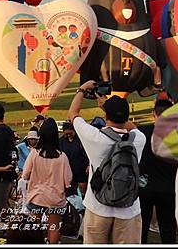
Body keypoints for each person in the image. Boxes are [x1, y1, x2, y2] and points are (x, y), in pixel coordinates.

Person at [68, 80, 146, 244]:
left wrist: (82, 90)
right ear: (127, 117)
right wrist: (110, 108)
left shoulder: (95, 138)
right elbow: (132, 127)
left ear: (105, 117)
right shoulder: (139, 139)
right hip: (129, 209)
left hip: (98, 207)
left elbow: (73, 114)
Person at [22, 118, 73, 244]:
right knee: (54, 228)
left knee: (35, 228)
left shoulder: (34, 153)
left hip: (36, 196)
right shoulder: (62, 157)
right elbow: (68, 180)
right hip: (55, 198)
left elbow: (25, 175)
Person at [139, 99, 177, 243]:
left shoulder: (142, 132)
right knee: (168, 230)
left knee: (141, 229)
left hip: (144, 187)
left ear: (153, 114)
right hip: (168, 188)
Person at [59, 121, 89, 196]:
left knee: (83, 192)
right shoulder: (61, 141)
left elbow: (88, 152)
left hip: (81, 169)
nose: (68, 135)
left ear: (74, 131)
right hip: (68, 170)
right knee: (70, 192)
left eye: (70, 133)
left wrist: (88, 165)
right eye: (66, 134)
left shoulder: (81, 139)